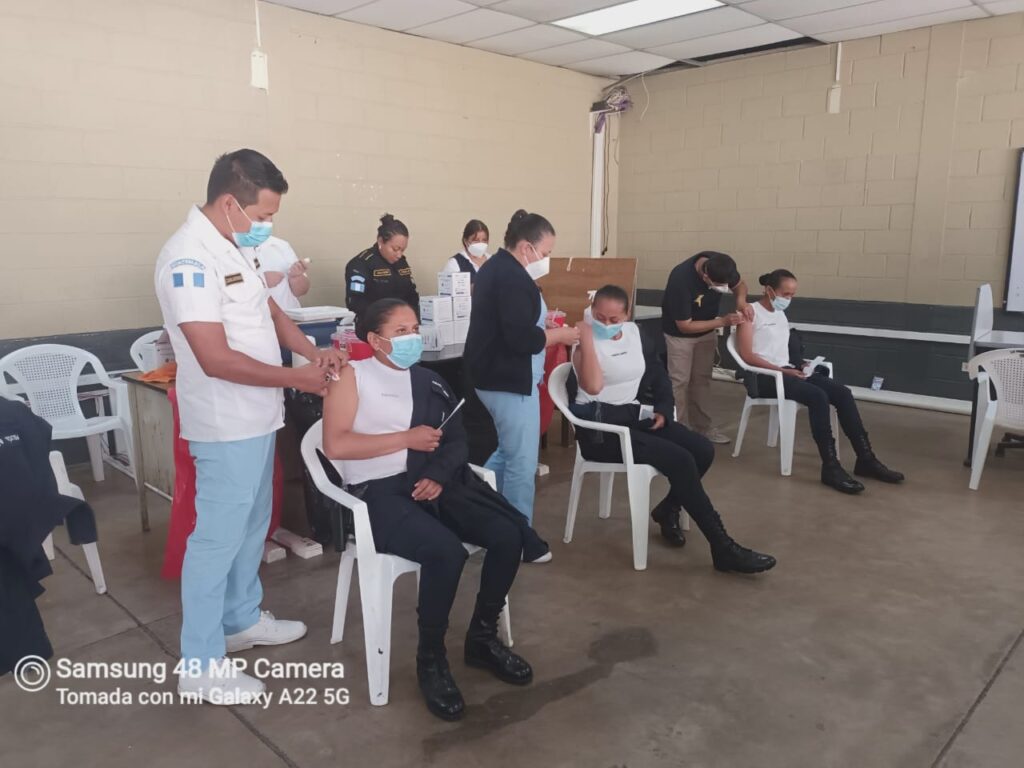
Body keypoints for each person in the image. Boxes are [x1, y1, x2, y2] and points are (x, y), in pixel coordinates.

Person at [154, 149, 347, 704]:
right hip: (224, 423)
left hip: (259, 417)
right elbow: (213, 357)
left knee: (252, 525)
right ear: (229, 203)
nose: (266, 226)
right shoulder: (188, 259)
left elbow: (271, 311)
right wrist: (298, 378)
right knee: (216, 540)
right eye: (262, 216)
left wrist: (312, 353)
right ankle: (200, 664)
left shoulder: (234, 245)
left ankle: (239, 619)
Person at [322, 299, 545, 722]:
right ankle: (431, 659)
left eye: (414, 329)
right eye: (400, 331)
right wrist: (405, 439)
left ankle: (482, 638)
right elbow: (336, 445)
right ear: (375, 340)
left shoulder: (428, 380)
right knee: (445, 553)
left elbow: (456, 439)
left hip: (429, 481)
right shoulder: (351, 376)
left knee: (508, 534)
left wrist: (440, 474)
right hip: (378, 493)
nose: (412, 338)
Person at [570, 285, 775, 573]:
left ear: (626, 315)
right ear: (591, 313)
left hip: (633, 418)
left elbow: (657, 372)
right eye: (599, 317)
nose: (605, 324)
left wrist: (665, 407)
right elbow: (592, 387)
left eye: (613, 319)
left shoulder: (635, 334)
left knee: (702, 450)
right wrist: (586, 337)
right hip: (602, 432)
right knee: (680, 460)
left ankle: (668, 509)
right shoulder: (584, 343)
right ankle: (723, 546)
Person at [735, 269, 905, 494]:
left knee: (842, 393)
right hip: (764, 377)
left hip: (787, 371)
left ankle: (866, 458)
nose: (789, 299)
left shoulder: (780, 314)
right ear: (769, 290)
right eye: (785, 294)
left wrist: (801, 364)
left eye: (792, 295)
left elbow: (780, 350)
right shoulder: (750, 313)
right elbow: (747, 356)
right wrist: (782, 371)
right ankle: (830, 466)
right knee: (818, 397)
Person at [465, 210, 580, 529]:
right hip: (508, 380)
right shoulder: (513, 278)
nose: (547, 259)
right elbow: (520, 339)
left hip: (494, 375)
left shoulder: (496, 267)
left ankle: (477, 510)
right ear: (527, 247)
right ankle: (518, 533)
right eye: (546, 252)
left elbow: (511, 323)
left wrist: (541, 326)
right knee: (522, 463)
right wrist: (561, 335)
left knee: (508, 452)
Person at [662, 251, 753, 445]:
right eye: (719, 285)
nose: (723, 288)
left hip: (706, 333)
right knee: (679, 382)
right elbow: (684, 326)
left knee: (701, 380)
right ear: (705, 276)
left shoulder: (721, 264)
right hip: (680, 337)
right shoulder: (681, 280)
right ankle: (679, 431)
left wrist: (741, 302)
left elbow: (740, 285)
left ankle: (703, 428)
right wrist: (722, 322)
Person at [345, 213, 419, 318]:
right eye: (395, 249)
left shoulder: (401, 263)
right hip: (374, 322)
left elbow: (412, 296)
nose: (399, 255)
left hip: (402, 321)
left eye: (402, 250)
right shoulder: (360, 264)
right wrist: (386, 318)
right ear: (380, 241)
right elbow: (355, 303)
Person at [254, 235, 309, 311]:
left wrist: (296, 277)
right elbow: (237, 290)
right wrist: (261, 281)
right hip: (255, 316)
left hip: (289, 314)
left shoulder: (280, 244)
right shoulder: (237, 249)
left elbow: (301, 291)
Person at [443, 219, 490, 285]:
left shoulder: (492, 260)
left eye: (484, 240)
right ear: (466, 241)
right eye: (476, 240)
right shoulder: (455, 263)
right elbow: (447, 288)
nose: (480, 243)